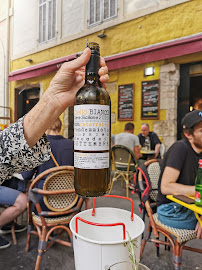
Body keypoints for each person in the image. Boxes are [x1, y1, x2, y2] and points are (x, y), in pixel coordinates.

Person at [0, 47, 109, 249]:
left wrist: (53, 100)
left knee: (27, 194)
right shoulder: (72, 144)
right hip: (72, 201)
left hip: (46, 205)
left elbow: (16, 168)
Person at [157, 110, 202, 239]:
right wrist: (198, 191)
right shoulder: (180, 149)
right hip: (171, 209)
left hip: (191, 206)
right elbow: (166, 187)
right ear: (188, 134)